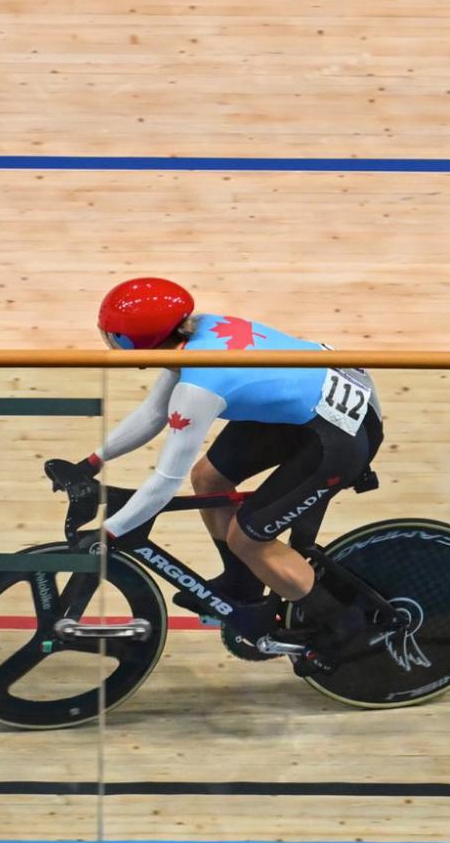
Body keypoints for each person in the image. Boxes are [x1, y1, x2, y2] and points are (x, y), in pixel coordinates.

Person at [47, 277, 384, 653]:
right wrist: (91, 463)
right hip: (318, 406)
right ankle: (243, 584)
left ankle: (345, 628)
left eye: (113, 338)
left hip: (340, 436)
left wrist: (110, 533)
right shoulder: (192, 335)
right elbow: (153, 413)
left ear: (134, 342)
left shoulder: (200, 388)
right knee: (208, 478)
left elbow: (164, 481)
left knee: (248, 537)